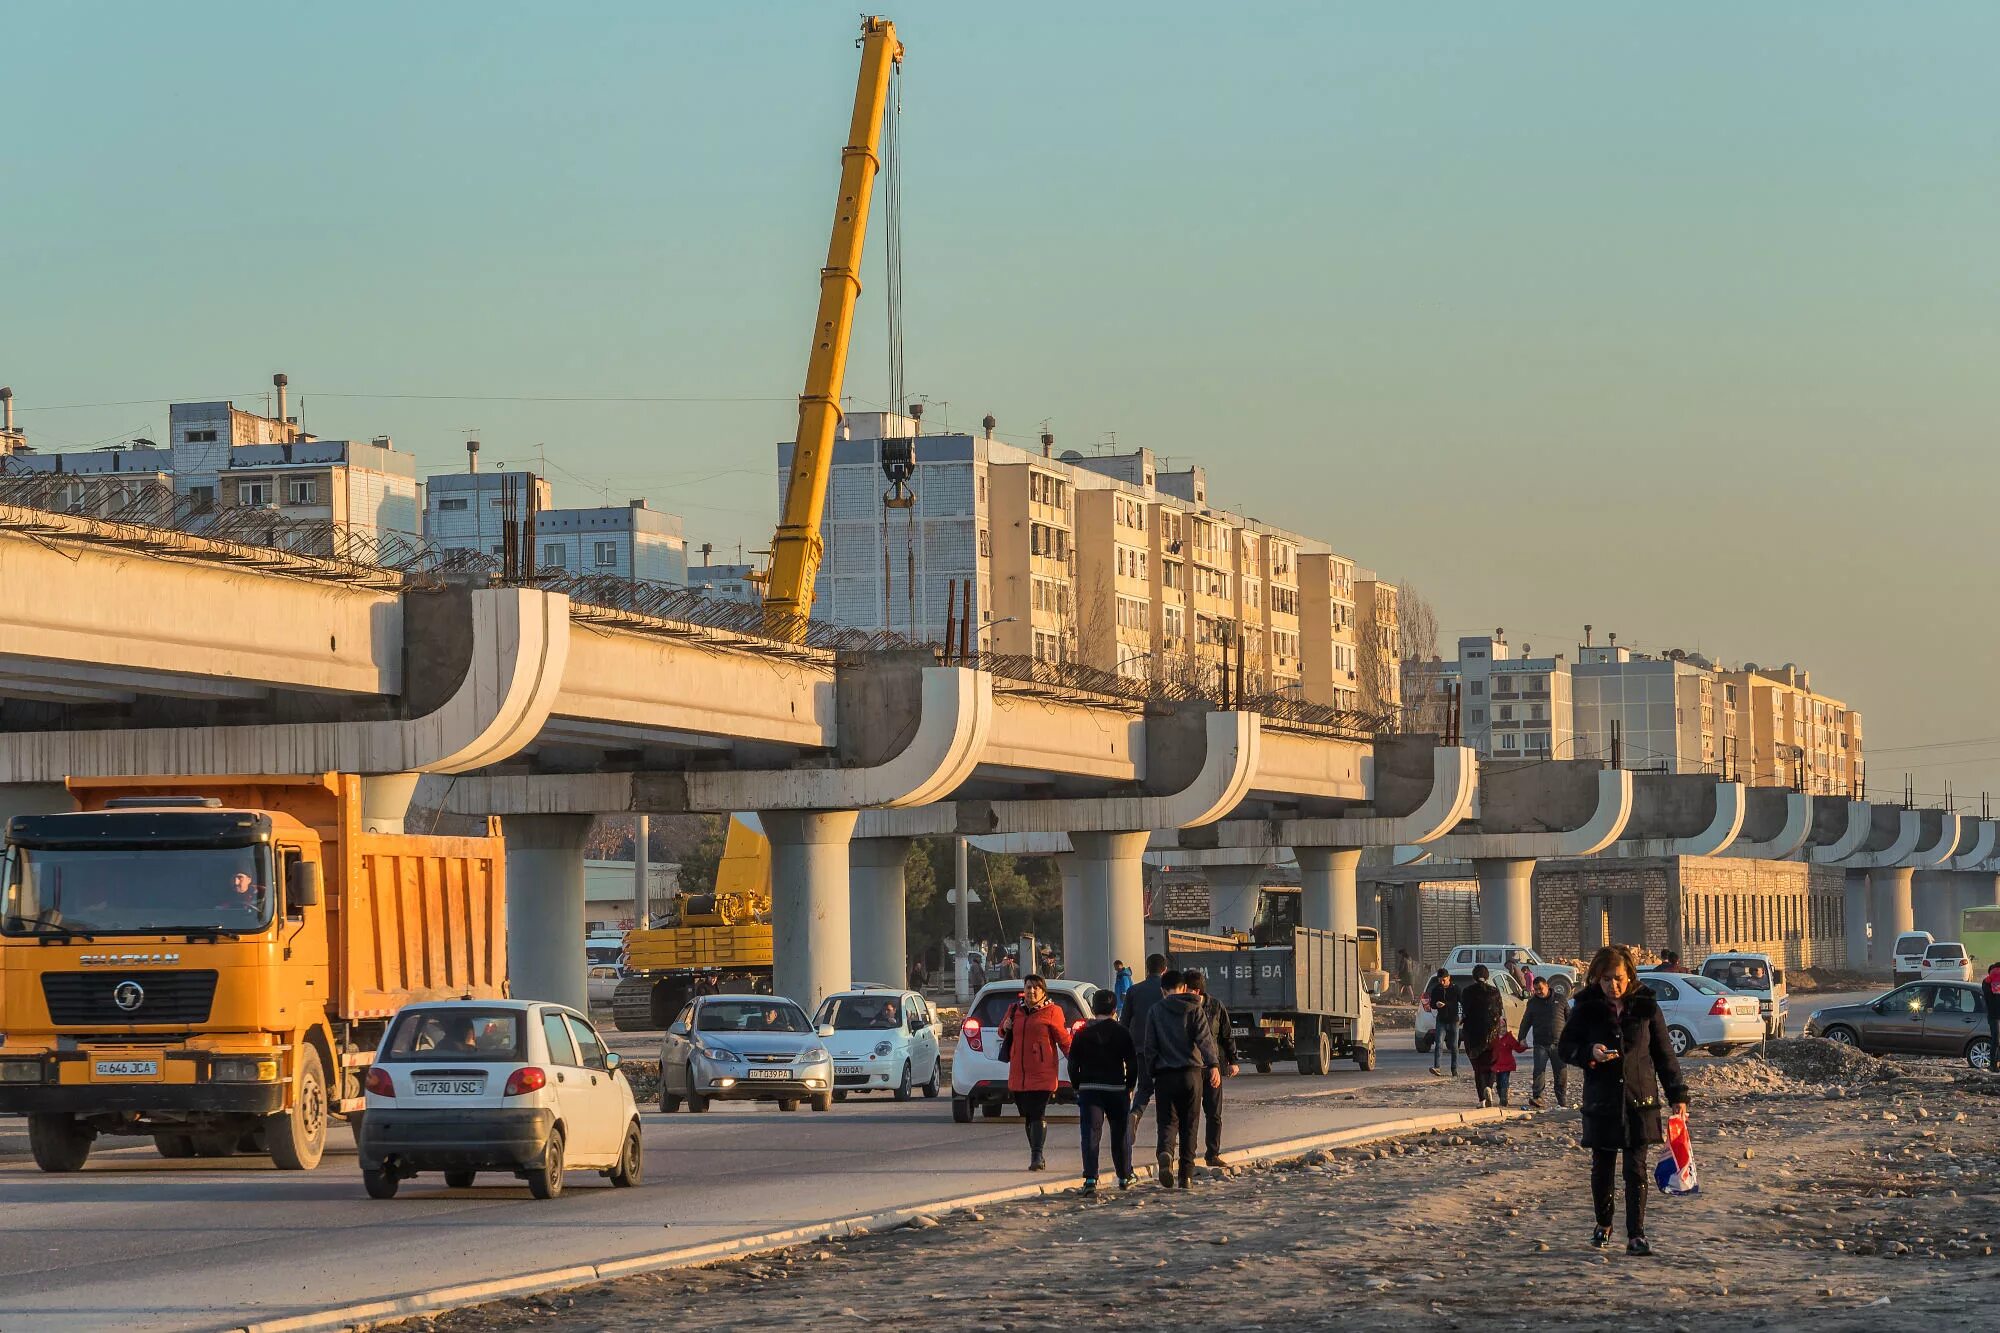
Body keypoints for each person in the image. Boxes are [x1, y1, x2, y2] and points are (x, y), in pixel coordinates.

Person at [1558, 944, 1689, 1257]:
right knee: (1602, 1167)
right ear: (1597, 979)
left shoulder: (1646, 1006)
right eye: (1605, 980)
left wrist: (1677, 1094)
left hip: (1639, 1099)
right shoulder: (1586, 1006)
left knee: (1635, 1169)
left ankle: (1636, 1235)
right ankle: (1603, 1225)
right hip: (1601, 1100)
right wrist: (1589, 1052)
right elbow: (1565, 1046)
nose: (1612, 986)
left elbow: (1663, 1053)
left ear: (1630, 975)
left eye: (1617, 978)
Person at [1138, 969, 1220, 1189]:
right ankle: (1186, 1176)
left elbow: (1149, 1046)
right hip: (1191, 1074)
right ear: (1184, 988)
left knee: (1167, 1122)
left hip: (1165, 1075)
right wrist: (1213, 1065)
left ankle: (1165, 1152)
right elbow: (1205, 1040)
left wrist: (1152, 1071)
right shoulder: (1194, 1009)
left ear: (1163, 990)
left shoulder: (1155, 1011)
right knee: (1190, 1125)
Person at [1067, 989, 1138, 1192]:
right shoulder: (1122, 1032)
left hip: (1090, 1089)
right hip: (1116, 1089)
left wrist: (1077, 1086)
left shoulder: (1082, 1034)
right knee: (1119, 1134)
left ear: (1092, 1008)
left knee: (1090, 1134)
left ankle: (1090, 1178)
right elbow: (1132, 1063)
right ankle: (1124, 1176)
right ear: (1115, 1009)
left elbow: (1073, 1064)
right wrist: (1130, 1085)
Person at [1000, 974, 1072, 1171]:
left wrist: (1076, 1058)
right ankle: (1036, 1151)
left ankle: (1037, 1155)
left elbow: (1063, 1039)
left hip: (1043, 1072)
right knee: (1027, 1115)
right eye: (1028, 987)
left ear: (1043, 991)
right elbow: (1002, 1030)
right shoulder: (1015, 1009)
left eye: (1035, 988)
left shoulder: (1052, 1011)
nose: (1031, 991)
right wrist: (1005, 1027)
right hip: (1018, 1073)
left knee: (1037, 1112)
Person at [1184, 969, 1239, 1167]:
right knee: (1190, 1114)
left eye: (1187, 988)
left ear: (1196, 991)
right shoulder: (1183, 1007)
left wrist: (1233, 1061)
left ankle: (1212, 1154)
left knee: (1214, 1113)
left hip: (1212, 1068)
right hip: (1191, 1068)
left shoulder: (1215, 1006)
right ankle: (1187, 1155)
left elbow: (1226, 1034)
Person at [1120, 953, 1170, 1150]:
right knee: (1165, 1091)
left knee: (1145, 1087)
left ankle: (1136, 1113)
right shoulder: (1166, 991)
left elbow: (1125, 1021)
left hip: (1140, 1045)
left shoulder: (1134, 990)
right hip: (1165, 1047)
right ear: (1164, 969)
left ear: (1147, 968)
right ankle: (1165, 1136)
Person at [1458, 963, 1507, 1107]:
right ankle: (1489, 1087)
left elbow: (1465, 1011)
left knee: (1478, 1066)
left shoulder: (1467, 991)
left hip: (1473, 1035)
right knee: (1491, 1063)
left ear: (1473, 977)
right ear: (1487, 976)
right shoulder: (1494, 991)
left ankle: (1482, 1100)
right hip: (1492, 1034)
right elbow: (1499, 1012)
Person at [1519, 975, 1570, 1108]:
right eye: (1535, 990)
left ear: (1547, 986)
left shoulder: (1561, 999)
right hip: (1540, 1043)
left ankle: (1561, 1100)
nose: (1538, 992)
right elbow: (1526, 1021)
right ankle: (1538, 1098)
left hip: (1559, 1043)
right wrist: (1521, 1037)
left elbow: (1570, 1019)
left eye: (1540, 988)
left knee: (1561, 1072)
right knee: (1539, 1071)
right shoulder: (1532, 1002)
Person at [1422, 968, 1459, 1077]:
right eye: (1440, 980)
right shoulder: (1436, 989)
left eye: (1444, 980)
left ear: (1448, 978)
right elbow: (1432, 1004)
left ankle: (1454, 1069)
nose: (1442, 982)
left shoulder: (1455, 988)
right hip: (1441, 1019)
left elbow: (1460, 1001)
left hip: (1453, 1019)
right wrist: (1436, 1004)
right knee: (1438, 1043)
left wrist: (1447, 1005)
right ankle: (1437, 1067)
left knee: (1454, 1046)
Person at [1490, 1028, 1525, 1107]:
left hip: (1506, 1064)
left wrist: (1524, 1046)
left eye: (1503, 1026)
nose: (1502, 1028)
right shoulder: (1493, 1037)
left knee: (1504, 1081)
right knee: (1499, 1083)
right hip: (1496, 1064)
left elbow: (1517, 1048)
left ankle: (1504, 1099)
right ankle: (1502, 1098)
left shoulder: (1509, 1037)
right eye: (1500, 1026)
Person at [1983, 960, 2000, 1059]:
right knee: (1996, 1040)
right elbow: (1991, 999)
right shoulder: (1987, 984)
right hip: (1994, 1016)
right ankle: (1993, 1063)